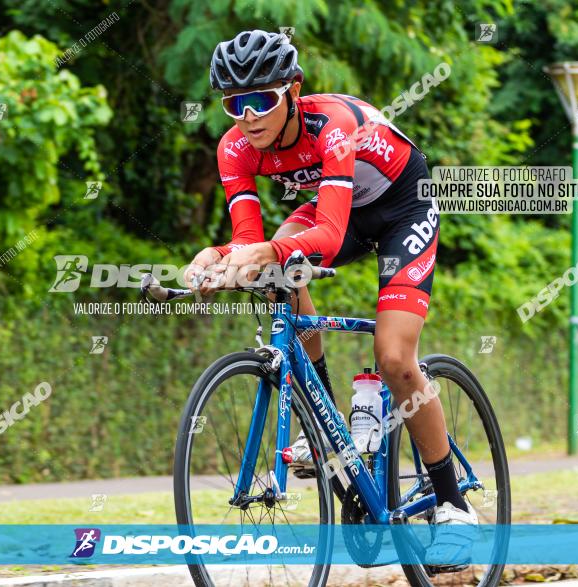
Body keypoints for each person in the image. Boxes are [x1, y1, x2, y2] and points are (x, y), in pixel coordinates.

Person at [184, 29, 476, 568]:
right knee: (276, 275)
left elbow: (328, 231)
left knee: (393, 357)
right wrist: (218, 256)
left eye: (261, 99)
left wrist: (263, 251)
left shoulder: (333, 126)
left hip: (401, 207)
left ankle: (453, 504)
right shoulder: (235, 148)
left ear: (293, 89)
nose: (248, 116)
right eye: (234, 103)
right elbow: (252, 243)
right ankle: (328, 426)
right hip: (331, 207)